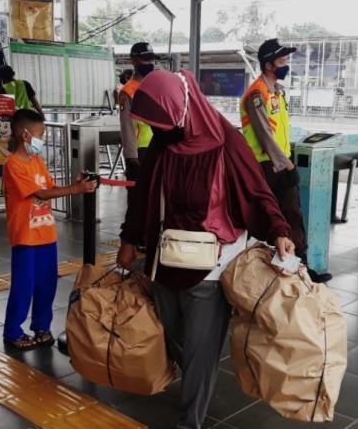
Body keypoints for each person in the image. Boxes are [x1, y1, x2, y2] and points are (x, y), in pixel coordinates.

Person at [116, 70, 294, 429]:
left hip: (212, 263)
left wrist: (279, 229)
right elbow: (142, 196)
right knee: (170, 333)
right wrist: (127, 239)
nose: (161, 130)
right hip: (165, 259)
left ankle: (190, 420)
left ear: (181, 109)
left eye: (164, 122)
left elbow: (258, 191)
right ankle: (198, 376)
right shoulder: (163, 145)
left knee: (200, 351)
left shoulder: (225, 141)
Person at [2, 109, 97, 350]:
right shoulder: (13, 165)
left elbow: (50, 187)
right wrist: (77, 190)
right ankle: (13, 332)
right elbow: (41, 193)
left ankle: (41, 327)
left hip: (46, 235)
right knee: (24, 286)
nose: (41, 140)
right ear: (25, 135)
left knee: (47, 284)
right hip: (25, 237)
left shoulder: (36, 161)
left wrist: (73, 184)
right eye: (40, 134)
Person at [240, 38, 332, 283]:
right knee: (273, 217)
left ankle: (299, 268)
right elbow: (264, 135)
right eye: (282, 61)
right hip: (265, 167)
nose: (286, 65)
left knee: (291, 214)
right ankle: (273, 271)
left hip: (279, 162)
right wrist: (287, 164)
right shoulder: (256, 95)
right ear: (268, 65)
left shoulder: (276, 93)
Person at [118, 42, 156, 210]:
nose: (148, 64)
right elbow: (127, 126)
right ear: (133, 61)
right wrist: (131, 157)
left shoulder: (156, 84)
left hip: (158, 146)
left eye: (150, 60)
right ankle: (134, 232)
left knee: (154, 194)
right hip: (140, 150)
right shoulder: (128, 91)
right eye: (143, 60)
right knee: (137, 198)